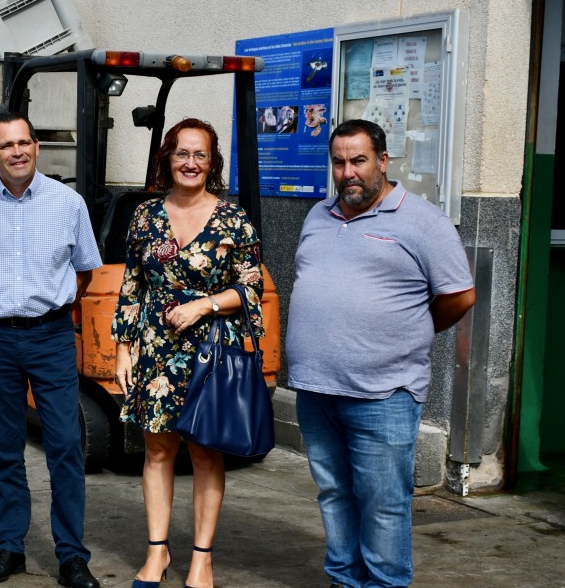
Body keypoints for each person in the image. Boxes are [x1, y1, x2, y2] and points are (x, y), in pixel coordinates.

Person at [287, 119, 476, 588]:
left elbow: (460, 295)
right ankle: (344, 580)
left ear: (383, 161)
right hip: (316, 387)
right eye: (338, 161)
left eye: (358, 160)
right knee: (334, 493)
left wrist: (409, 333)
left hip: (384, 392)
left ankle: (385, 583)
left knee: (383, 501)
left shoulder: (423, 222)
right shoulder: (318, 216)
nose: (348, 172)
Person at [0, 111, 103, 588]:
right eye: (7, 144)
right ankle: (10, 548)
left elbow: (84, 270)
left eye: (25, 142)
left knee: (65, 447)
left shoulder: (68, 203)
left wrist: (45, 307)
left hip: (51, 336)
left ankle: (72, 556)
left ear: (37, 148)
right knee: (4, 449)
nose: (17, 151)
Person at [112, 118, 265, 588]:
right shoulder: (146, 216)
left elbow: (252, 288)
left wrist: (204, 305)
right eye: (182, 153)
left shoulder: (233, 220)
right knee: (157, 451)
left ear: (212, 162)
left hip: (210, 353)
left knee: (204, 453)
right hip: (157, 350)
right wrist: (123, 347)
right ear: (168, 158)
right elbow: (133, 284)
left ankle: (202, 559)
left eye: (200, 155)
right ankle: (157, 553)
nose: (190, 163)